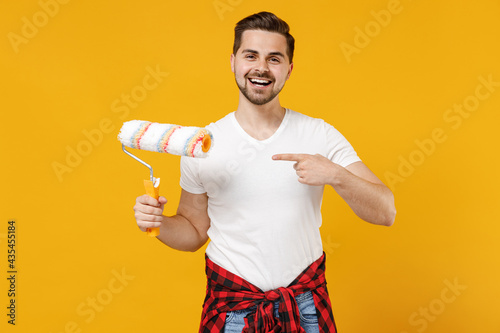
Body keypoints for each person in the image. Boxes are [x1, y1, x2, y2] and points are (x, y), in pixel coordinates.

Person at [133, 11, 396, 333]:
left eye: (274, 58)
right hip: (232, 308)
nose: (261, 67)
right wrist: (158, 223)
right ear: (233, 61)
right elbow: (193, 233)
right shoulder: (201, 144)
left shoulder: (320, 135)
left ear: (289, 69)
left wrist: (336, 175)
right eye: (251, 55)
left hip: (305, 306)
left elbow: (386, 211)